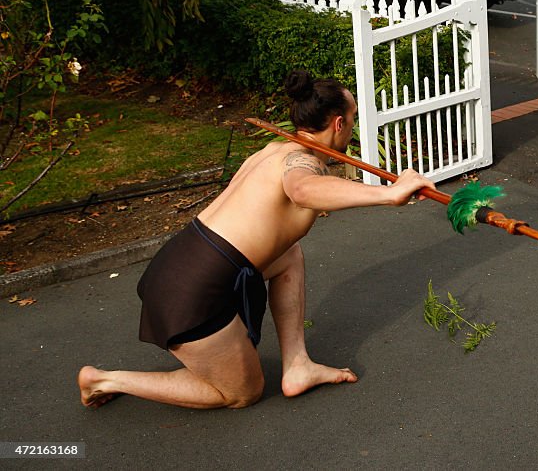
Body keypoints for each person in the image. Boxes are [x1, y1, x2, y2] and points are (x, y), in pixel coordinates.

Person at [77, 71, 435, 410]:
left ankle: (298, 365)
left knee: (288, 253)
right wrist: (390, 194)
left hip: (182, 262)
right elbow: (302, 188)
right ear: (339, 123)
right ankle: (105, 380)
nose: (353, 125)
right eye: (353, 117)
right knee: (242, 393)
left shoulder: (273, 150)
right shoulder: (300, 161)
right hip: (192, 293)